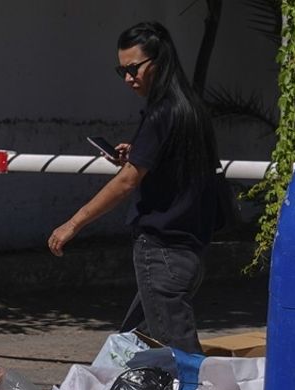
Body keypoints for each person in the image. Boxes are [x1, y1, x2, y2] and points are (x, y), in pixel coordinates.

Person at [46, 21, 220, 355]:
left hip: (163, 251)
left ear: (159, 60)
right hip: (191, 248)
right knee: (130, 346)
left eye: (133, 68)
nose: (128, 78)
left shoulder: (162, 112)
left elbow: (127, 181)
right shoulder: (190, 108)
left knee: (179, 359)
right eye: (121, 70)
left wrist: (73, 223)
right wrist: (139, 152)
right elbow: (176, 164)